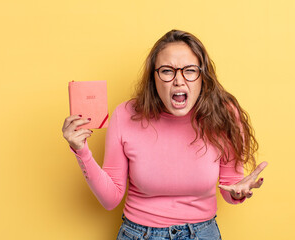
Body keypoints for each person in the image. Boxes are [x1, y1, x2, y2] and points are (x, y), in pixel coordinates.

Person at [62, 29, 268, 240]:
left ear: (202, 76)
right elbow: (110, 199)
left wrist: (237, 191)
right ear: (154, 77)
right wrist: (81, 151)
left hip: (203, 233)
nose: (179, 80)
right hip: (139, 234)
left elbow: (229, 186)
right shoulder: (125, 115)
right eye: (167, 71)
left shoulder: (224, 114)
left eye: (189, 70)